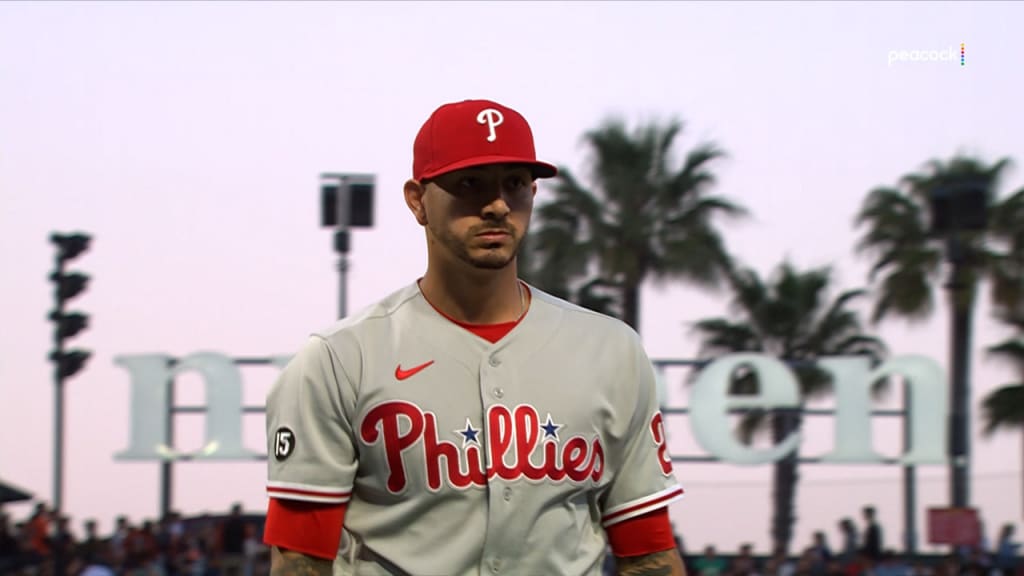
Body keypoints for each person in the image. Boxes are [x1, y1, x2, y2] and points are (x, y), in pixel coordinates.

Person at [262, 98, 688, 575]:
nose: (498, 204)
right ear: (417, 199)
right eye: (470, 184)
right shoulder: (340, 358)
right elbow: (299, 557)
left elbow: (647, 549)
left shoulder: (611, 351)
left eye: (515, 183)